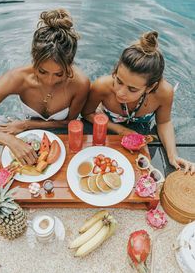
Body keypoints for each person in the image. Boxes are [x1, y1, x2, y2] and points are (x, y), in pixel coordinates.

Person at [0, 8, 90, 165]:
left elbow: (69, 122)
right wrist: (6, 138)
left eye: (59, 74)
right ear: (34, 59)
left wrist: (26, 124)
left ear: (70, 64)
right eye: (42, 72)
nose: (49, 80)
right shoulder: (16, 78)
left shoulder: (80, 84)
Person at [82, 31, 195, 174]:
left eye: (132, 89)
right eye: (118, 81)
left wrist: (173, 156)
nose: (120, 92)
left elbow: (164, 122)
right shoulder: (102, 86)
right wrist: (121, 130)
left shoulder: (164, 93)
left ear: (150, 87)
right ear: (116, 71)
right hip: (107, 132)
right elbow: (86, 113)